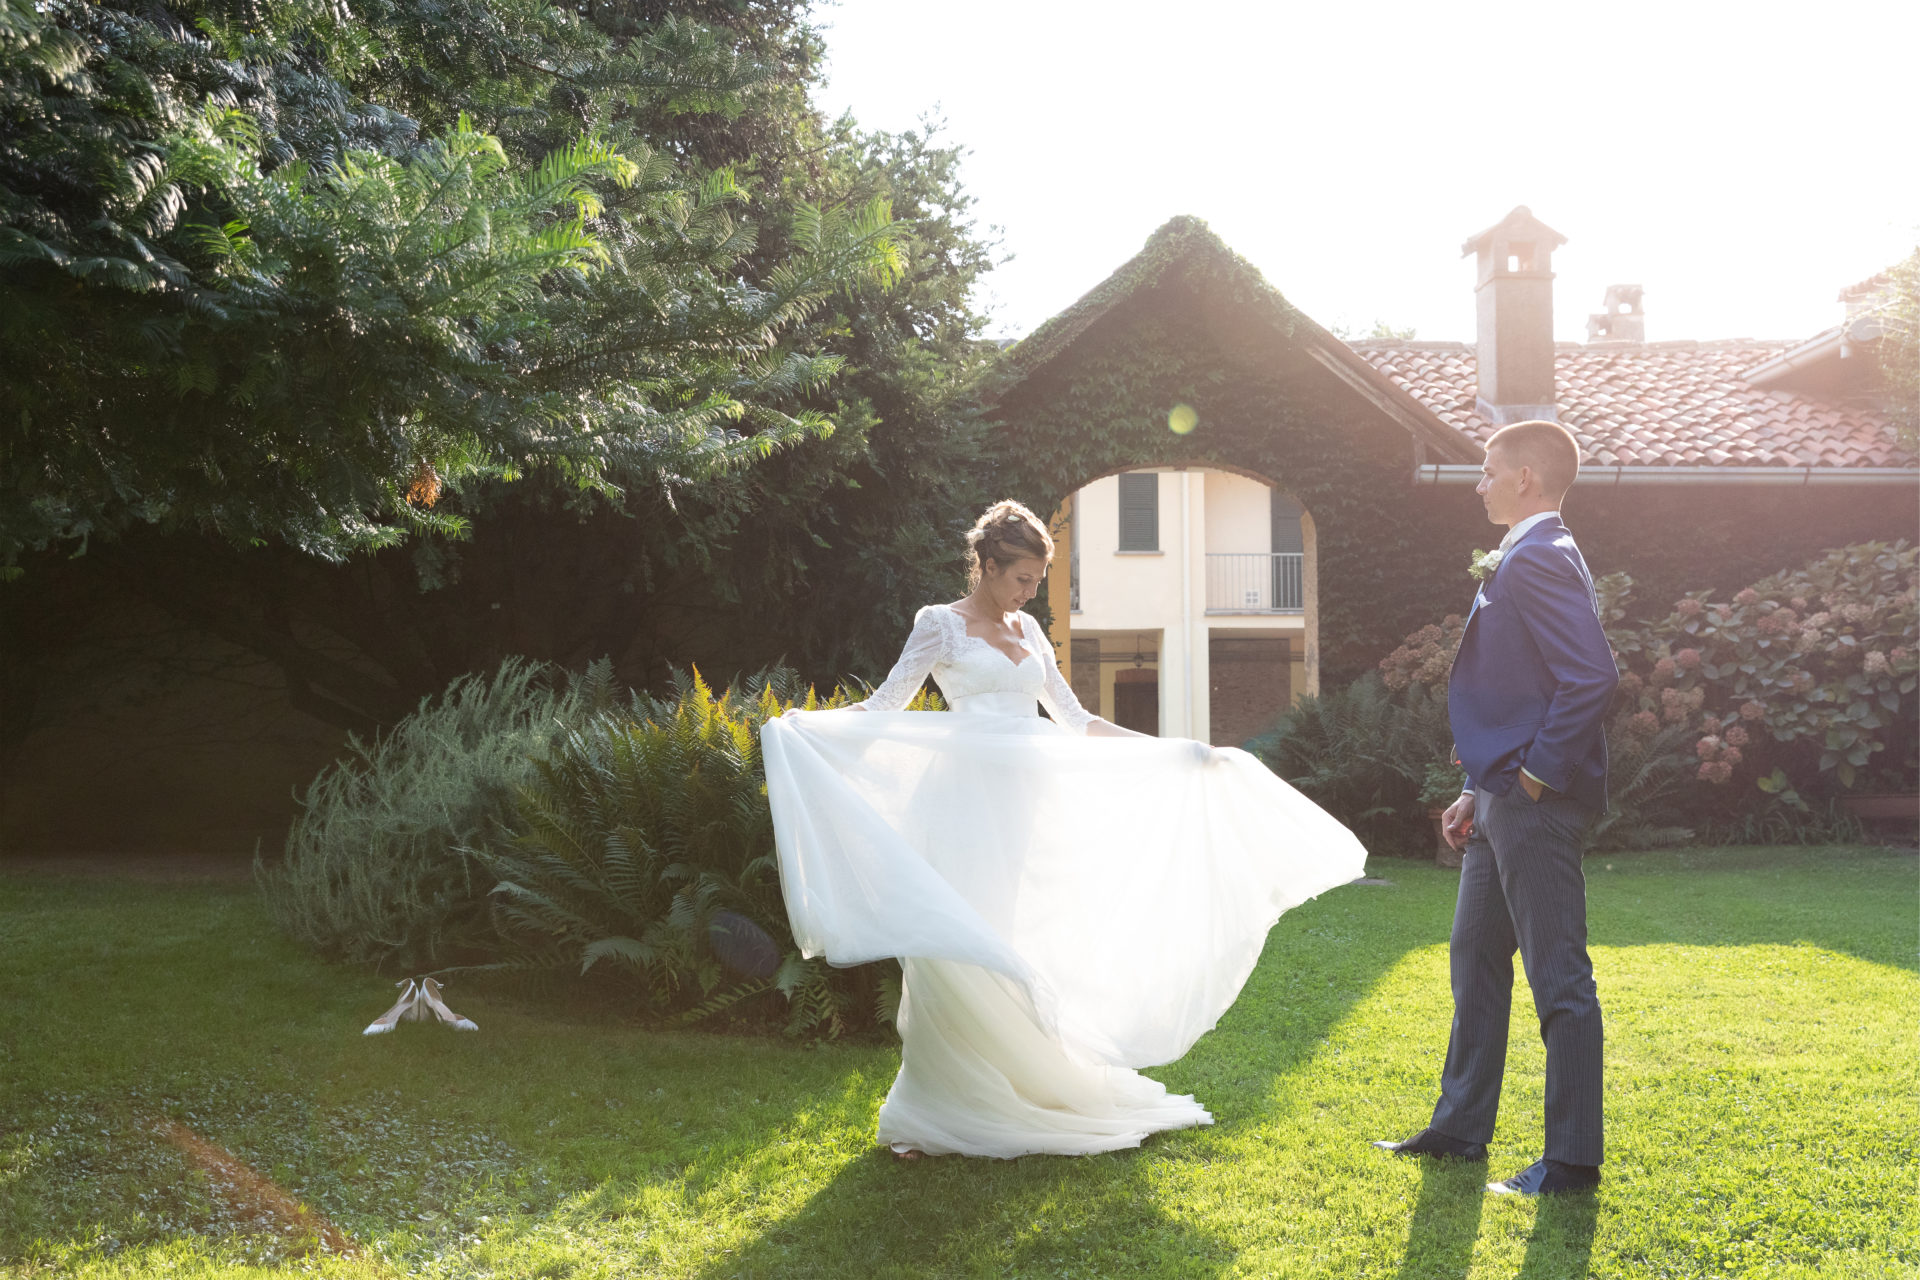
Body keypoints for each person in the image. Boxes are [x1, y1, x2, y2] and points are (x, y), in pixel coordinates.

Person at [760, 499, 1367, 1158]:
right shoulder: (939, 625)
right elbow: (885, 707)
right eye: (1021, 578)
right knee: (954, 950)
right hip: (964, 805)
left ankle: (1026, 1084)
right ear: (987, 566)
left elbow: (1074, 720)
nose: (1029, 592)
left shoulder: (1030, 632)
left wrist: (1169, 750)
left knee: (1020, 939)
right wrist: (811, 728)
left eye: (1036, 580)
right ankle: (931, 1109)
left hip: (1028, 804)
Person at [1374, 420, 1617, 1196]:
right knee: (1475, 954)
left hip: (1534, 804)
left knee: (1559, 976)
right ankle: (1459, 1128)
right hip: (1500, 797)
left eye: (1487, 471)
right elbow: (1522, 690)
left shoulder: (1540, 557)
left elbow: (1592, 678)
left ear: (1525, 480)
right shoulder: (1525, 553)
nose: (1478, 483)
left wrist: (1536, 778)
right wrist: (1476, 789)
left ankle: (1572, 1161)